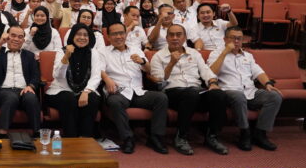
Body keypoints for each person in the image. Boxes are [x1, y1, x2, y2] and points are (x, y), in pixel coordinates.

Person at [150, 24, 229, 156]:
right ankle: (181, 137)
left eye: (179, 35)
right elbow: (159, 84)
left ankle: (212, 137)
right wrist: (171, 63)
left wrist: (212, 82)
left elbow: (205, 71)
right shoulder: (158, 56)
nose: (175, 38)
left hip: (196, 92)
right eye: (171, 35)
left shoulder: (194, 53)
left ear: (185, 37)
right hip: (172, 93)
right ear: (167, 38)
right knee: (190, 94)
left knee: (219, 95)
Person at [208, 26, 281, 151]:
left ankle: (260, 134)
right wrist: (224, 53)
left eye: (239, 38)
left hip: (250, 91)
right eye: (233, 38)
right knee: (239, 96)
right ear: (225, 39)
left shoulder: (248, 56)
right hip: (229, 91)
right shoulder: (216, 53)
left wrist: (268, 84)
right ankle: (244, 133)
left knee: (274, 96)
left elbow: (259, 72)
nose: (236, 41)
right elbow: (210, 73)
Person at [100, 23, 168, 154]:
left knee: (161, 98)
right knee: (114, 101)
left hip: (138, 92)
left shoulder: (135, 49)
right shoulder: (103, 52)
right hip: (119, 91)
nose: (119, 36)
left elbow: (149, 70)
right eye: (114, 34)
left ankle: (155, 137)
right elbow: (99, 69)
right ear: (108, 36)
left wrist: (143, 62)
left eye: (121, 33)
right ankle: (127, 138)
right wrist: (107, 79)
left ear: (126, 34)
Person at [45, 24, 102, 138]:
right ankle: (71, 138)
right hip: (60, 90)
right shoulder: (62, 51)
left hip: (84, 90)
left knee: (92, 98)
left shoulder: (93, 52)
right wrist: (66, 56)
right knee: (68, 98)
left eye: (85, 35)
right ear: (72, 36)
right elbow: (57, 75)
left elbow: (96, 76)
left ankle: (85, 138)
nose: (82, 37)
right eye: (78, 34)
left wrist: (86, 91)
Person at [0, 25, 41, 137]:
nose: (16, 39)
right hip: (2, 91)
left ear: (23, 40)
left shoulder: (29, 56)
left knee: (31, 97)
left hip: (23, 90)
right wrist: (0, 43)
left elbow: (36, 76)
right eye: (13, 35)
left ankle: (37, 133)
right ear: (7, 37)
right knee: (10, 97)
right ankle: (2, 134)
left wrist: (30, 86)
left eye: (20, 37)